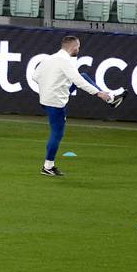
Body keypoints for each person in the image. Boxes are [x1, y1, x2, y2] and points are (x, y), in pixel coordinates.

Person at [28, 35, 118, 177]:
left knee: (83, 75)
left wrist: (51, 85)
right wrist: (97, 93)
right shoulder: (65, 62)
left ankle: (109, 99)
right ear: (73, 47)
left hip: (45, 99)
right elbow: (79, 82)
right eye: (78, 46)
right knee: (57, 134)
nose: (79, 49)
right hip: (55, 102)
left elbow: (35, 76)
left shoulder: (49, 58)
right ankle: (48, 167)